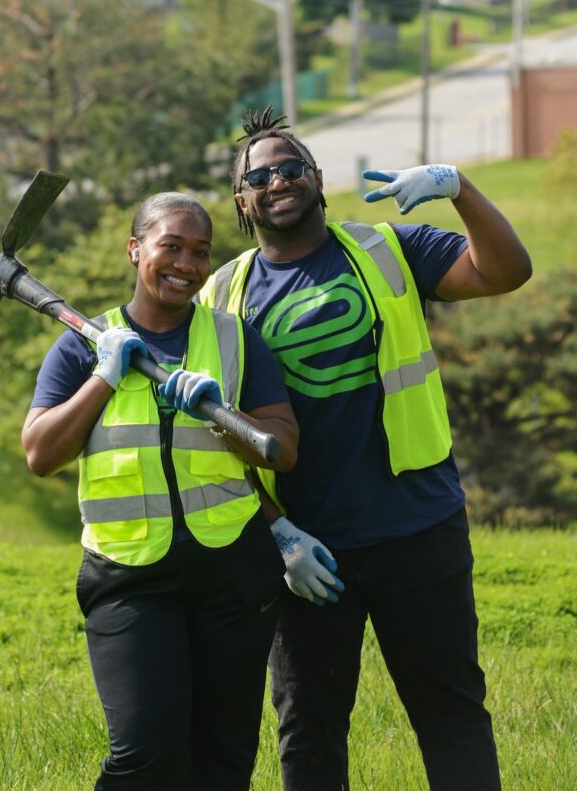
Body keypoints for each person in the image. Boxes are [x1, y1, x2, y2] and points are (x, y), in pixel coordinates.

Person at [198, 108, 533, 791]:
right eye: (259, 176)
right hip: (307, 552)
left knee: (451, 714)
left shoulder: (386, 249)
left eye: (291, 168)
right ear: (242, 200)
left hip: (420, 530)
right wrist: (278, 534)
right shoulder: (220, 300)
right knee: (310, 732)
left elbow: (505, 273)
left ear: (319, 179)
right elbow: (212, 443)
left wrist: (458, 188)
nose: (278, 181)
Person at [21, 191, 299, 791]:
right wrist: (104, 377)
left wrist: (218, 413)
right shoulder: (83, 345)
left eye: (201, 252)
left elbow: (283, 444)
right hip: (129, 578)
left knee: (224, 760)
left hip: (233, 572)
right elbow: (41, 454)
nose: (187, 264)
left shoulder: (235, 340)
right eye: (170, 246)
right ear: (135, 250)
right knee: (146, 755)